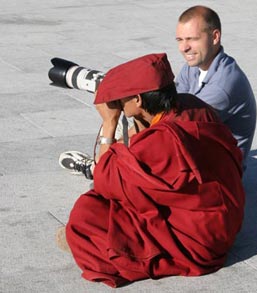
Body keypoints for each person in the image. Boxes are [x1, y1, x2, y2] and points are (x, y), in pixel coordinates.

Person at [56, 53, 245, 288]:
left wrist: (109, 124)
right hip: (223, 221)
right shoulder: (192, 105)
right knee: (132, 186)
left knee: (88, 212)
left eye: (121, 100)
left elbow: (104, 181)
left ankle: (83, 241)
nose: (118, 105)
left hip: (198, 242)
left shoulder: (161, 142)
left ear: (137, 100)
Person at [175, 5, 257, 168]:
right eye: (180, 40)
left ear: (215, 37)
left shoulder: (223, 85)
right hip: (198, 151)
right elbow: (170, 107)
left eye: (192, 39)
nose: (184, 48)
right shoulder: (192, 67)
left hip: (217, 173)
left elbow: (176, 127)